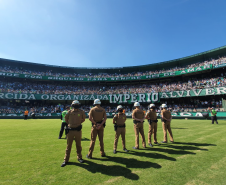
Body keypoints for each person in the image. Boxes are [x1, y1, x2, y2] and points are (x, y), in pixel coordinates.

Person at [61, 100, 86, 167]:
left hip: (78, 130)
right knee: (68, 146)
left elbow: (83, 119)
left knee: (78, 145)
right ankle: (66, 160)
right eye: (75, 104)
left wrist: (77, 123)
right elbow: (66, 120)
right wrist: (71, 124)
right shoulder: (69, 112)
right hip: (70, 131)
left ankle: (79, 157)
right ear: (72, 105)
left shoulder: (81, 112)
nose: (76, 105)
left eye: (77, 104)